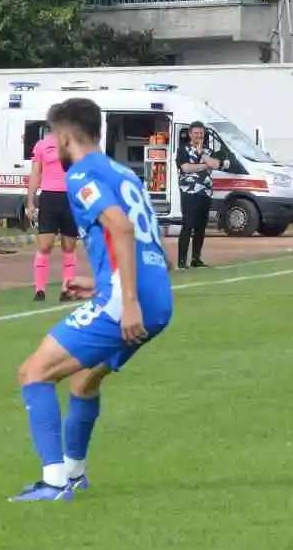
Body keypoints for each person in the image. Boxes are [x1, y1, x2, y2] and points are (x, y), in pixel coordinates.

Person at [10, 98, 173, 502]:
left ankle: (53, 483)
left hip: (130, 300)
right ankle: (75, 474)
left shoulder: (81, 173)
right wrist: (108, 286)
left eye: (53, 135)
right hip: (158, 297)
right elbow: (150, 239)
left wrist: (125, 299)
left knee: (33, 373)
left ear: (65, 136)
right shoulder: (124, 173)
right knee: (83, 379)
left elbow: (119, 226)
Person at [27, 126, 81, 302]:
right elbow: (36, 173)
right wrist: (30, 200)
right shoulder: (42, 145)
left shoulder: (74, 143)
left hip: (70, 198)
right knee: (45, 245)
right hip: (49, 198)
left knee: (69, 245)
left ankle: (67, 288)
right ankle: (40, 290)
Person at [176, 121, 220, 269]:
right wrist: (203, 165)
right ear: (190, 134)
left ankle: (196, 258)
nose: (198, 136)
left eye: (201, 133)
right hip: (189, 191)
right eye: (196, 133)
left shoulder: (207, 151)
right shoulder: (183, 150)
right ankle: (182, 261)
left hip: (205, 192)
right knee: (188, 225)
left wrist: (202, 154)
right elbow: (186, 168)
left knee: (201, 227)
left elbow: (215, 164)